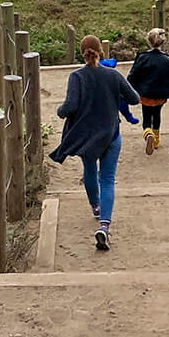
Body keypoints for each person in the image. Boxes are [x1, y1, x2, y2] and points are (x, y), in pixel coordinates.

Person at [50, 35, 139, 252]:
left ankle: (96, 207)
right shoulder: (112, 75)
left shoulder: (77, 77)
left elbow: (70, 106)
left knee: (89, 170)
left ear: (82, 53)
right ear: (101, 51)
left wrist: (60, 111)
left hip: (87, 136)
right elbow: (134, 98)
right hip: (110, 134)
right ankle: (104, 227)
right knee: (107, 179)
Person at [126, 27, 169, 155]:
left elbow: (132, 76)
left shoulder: (142, 57)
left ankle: (147, 133)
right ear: (163, 42)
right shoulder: (168, 60)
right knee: (156, 115)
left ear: (149, 41)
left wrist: (129, 89)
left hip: (145, 94)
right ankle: (156, 140)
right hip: (160, 95)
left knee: (146, 117)